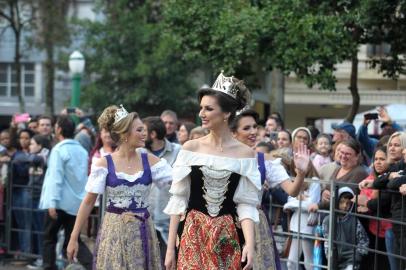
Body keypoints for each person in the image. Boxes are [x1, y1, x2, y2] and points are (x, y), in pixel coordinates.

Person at [164, 72, 259, 270]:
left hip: (228, 237)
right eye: (201, 108)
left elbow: (246, 203)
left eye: (208, 109)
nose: (201, 114)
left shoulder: (245, 154)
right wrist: (170, 249)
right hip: (192, 233)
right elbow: (178, 200)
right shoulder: (191, 148)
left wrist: (249, 244)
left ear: (226, 114)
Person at [67, 105, 172, 269]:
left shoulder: (150, 160)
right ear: (124, 134)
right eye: (139, 130)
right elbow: (88, 202)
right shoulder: (104, 164)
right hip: (114, 231)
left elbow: (178, 186)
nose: (144, 133)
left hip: (142, 231)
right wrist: (74, 237)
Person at [230, 108, 310, 270]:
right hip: (227, 220)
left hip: (255, 221)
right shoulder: (221, 158)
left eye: (254, 127)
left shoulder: (265, 160)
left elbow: (292, 191)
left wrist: (300, 173)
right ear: (233, 133)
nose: (253, 131)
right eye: (246, 128)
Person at [39, 116, 93, 270]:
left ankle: (49, 267)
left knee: (49, 239)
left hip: (59, 203)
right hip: (77, 204)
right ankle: (93, 266)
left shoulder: (58, 150)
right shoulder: (82, 151)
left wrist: (52, 202)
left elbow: (56, 178)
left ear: (59, 129)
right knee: (75, 239)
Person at [360, 132, 406, 268]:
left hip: (397, 225)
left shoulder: (400, 167)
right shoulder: (395, 167)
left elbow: (387, 191)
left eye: (396, 145)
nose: (391, 148)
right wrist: (388, 177)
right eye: (390, 145)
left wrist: (366, 202)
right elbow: (380, 180)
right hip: (396, 224)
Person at [143, 116, 181, 259]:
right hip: (145, 216)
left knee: (168, 259)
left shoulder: (178, 151)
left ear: (152, 134)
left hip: (168, 217)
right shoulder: (140, 153)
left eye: (143, 131)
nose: (141, 134)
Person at [355, 147, 393, 270]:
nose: (378, 162)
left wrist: (368, 203)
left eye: (382, 159)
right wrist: (366, 204)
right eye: (376, 159)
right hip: (371, 230)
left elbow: (373, 204)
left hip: (388, 231)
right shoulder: (370, 179)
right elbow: (360, 205)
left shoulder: (392, 180)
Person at [284, 163, 320, 270]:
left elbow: (312, 204)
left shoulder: (315, 180)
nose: (299, 167)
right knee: (291, 263)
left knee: (308, 261)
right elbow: (288, 203)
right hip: (296, 223)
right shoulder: (296, 179)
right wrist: (301, 199)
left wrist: (300, 200)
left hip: (307, 224)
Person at [322, 187, 369, 270]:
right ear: (336, 202)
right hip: (334, 260)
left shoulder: (355, 221)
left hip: (352, 261)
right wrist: (330, 258)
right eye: (341, 202)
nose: (345, 206)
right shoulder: (327, 220)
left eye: (348, 203)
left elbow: (364, 242)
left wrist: (356, 258)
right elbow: (327, 242)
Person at [26, 134, 51, 269]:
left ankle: (43, 259)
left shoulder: (44, 157)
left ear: (40, 146)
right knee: (36, 228)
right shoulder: (36, 157)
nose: (30, 146)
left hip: (40, 197)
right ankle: (38, 257)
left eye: (32, 144)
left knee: (41, 229)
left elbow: (34, 158)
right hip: (32, 195)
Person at [11, 129, 35, 254]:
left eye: (26, 138)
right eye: (21, 138)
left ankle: (27, 251)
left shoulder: (33, 153)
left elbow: (23, 171)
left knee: (27, 222)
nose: (24, 140)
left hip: (27, 190)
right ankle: (23, 249)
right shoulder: (17, 154)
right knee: (20, 222)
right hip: (16, 191)